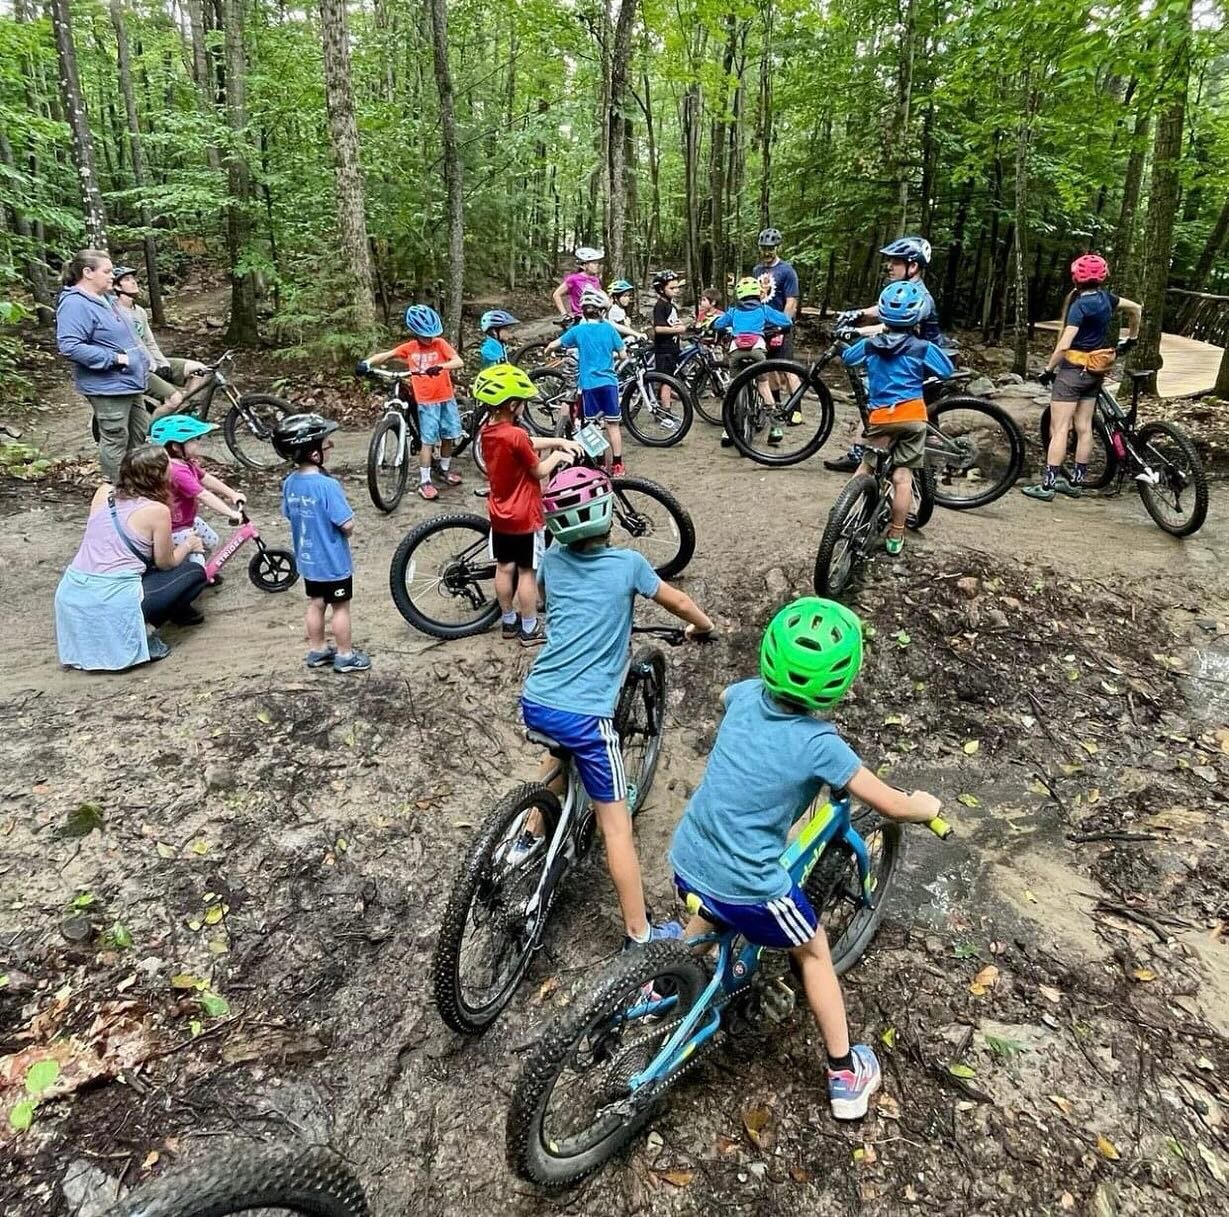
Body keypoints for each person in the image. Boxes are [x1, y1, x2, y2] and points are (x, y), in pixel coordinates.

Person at [669, 596, 942, 1121]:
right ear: (841, 682)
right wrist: (921, 806)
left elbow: (727, 699)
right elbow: (887, 802)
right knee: (813, 951)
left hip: (687, 856)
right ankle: (845, 1072)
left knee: (709, 905)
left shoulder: (745, 695)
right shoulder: (822, 745)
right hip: (749, 886)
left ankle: (672, 974)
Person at [515, 465, 715, 945]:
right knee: (617, 826)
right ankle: (639, 932)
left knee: (559, 751)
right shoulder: (628, 565)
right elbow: (681, 604)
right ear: (607, 515)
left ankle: (525, 838)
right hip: (587, 715)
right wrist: (703, 627)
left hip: (538, 698)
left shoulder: (555, 563)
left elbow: (542, 597)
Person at [55, 444, 208, 669]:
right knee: (195, 572)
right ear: (158, 475)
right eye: (168, 464)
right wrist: (188, 545)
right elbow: (166, 563)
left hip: (71, 593)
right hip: (115, 599)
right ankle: (146, 629)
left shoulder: (103, 493)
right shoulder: (157, 511)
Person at [839, 280, 954, 556]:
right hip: (913, 417)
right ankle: (896, 534)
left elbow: (848, 359)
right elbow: (947, 370)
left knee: (866, 466)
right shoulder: (922, 347)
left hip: (880, 417)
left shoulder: (871, 344)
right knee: (902, 477)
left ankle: (842, 510)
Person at [472, 364, 584, 645]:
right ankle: (530, 627)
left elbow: (524, 442)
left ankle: (508, 622)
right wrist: (558, 455)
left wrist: (557, 440)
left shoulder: (488, 431)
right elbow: (538, 471)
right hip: (525, 516)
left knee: (504, 567)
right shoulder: (516, 436)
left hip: (500, 514)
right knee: (527, 573)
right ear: (512, 404)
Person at [1023, 253, 1141, 502]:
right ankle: (1076, 482)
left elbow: (1064, 344)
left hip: (1072, 372)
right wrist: (1132, 337)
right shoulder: (1107, 299)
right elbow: (1136, 308)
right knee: (1084, 427)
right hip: (1095, 372)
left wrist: (1048, 370)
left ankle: (1048, 485)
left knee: (1060, 429)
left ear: (1076, 277)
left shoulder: (1080, 306)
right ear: (1103, 276)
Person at [826, 236, 940, 472]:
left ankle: (863, 453)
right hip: (911, 358)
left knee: (874, 394)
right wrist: (859, 313)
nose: (889, 266)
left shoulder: (923, 299)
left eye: (895, 262)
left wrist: (856, 331)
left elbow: (892, 328)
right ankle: (864, 451)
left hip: (920, 362)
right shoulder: (909, 290)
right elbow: (886, 309)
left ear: (913, 266)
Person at [275, 414, 369, 674]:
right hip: (333, 561)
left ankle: (317, 650)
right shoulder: (327, 485)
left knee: (316, 602)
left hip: (308, 560)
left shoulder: (290, 483)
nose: (330, 448)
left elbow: (288, 513)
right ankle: (345, 655)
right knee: (340, 607)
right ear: (314, 454)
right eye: (327, 444)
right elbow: (346, 524)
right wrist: (347, 530)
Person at [56, 249, 151, 482]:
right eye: (107, 271)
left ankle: (135, 485)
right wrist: (115, 359)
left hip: (130, 382)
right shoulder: (75, 304)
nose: (112, 276)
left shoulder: (107, 300)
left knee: (139, 433)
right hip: (108, 386)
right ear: (87, 273)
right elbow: (69, 345)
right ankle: (117, 492)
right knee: (116, 437)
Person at [359, 305, 464, 501]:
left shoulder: (440, 344)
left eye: (431, 335)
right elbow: (387, 355)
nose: (429, 339)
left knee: (448, 435)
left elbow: (458, 361)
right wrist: (367, 363)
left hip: (445, 398)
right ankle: (425, 481)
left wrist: (440, 366)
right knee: (428, 440)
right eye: (425, 335)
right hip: (426, 401)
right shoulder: (410, 348)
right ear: (416, 333)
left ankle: (444, 468)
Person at [545, 287, 628, 476]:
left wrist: (548, 351)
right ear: (602, 310)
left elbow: (555, 344)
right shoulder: (609, 329)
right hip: (609, 383)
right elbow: (623, 355)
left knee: (592, 425)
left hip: (589, 385)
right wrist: (612, 353)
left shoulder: (579, 330)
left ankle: (599, 462)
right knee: (612, 425)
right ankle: (617, 464)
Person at [148, 415, 246, 568]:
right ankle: (194, 577)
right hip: (173, 528)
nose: (198, 444)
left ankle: (191, 566)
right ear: (176, 446)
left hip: (186, 520)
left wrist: (232, 494)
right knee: (197, 554)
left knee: (212, 541)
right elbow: (203, 495)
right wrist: (230, 513)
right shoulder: (177, 470)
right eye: (193, 440)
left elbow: (206, 478)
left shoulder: (186, 463)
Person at [110, 267, 207, 419]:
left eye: (133, 279)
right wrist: (153, 365)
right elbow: (132, 344)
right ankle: (150, 431)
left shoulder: (139, 311)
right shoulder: (112, 311)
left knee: (200, 370)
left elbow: (149, 341)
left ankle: (186, 412)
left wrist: (163, 364)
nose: (133, 282)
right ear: (116, 286)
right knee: (173, 399)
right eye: (127, 280)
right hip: (133, 367)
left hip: (150, 360)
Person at [715, 276, 794, 448]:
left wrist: (720, 326)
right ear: (757, 293)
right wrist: (776, 328)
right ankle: (775, 429)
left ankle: (728, 430)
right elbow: (787, 321)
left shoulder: (733, 311)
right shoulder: (764, 309)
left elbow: (718, 324)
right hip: (757, 351)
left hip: (736, 351)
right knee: (763, 385)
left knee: (733, 388)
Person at [751, 227, 802, 421]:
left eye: (771, 248)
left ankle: (796, 408)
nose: (767, 252)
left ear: (777, 248)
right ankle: (777, 405)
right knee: (768, 367)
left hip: (781, 326)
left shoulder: (787, 271)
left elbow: (791, 301)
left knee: (787, 368)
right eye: (764, 247)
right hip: (762, 327)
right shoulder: (757, 270)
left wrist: (783, 324)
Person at [650, 269, 687, 421]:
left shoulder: (670, 305)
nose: (676, 291)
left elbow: (671, 322)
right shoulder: (660, 306)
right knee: (666, 381)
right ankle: (665, 410)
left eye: (677, 287)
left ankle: (665, 407)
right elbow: (658, 328)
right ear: (661, 289)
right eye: (672, 288)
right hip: (663, 349)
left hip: (671, 348)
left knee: (669, 379)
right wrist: (677, 330)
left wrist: (679, 325)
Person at [552, 247, 604, 318]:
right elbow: (556, 295)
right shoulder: (574, 279)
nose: (597, 265)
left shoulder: (596, 280)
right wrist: (564, 314)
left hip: (595, 317)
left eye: (597, 263)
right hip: (579, 318)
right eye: (593, 263)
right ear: (583, 265)